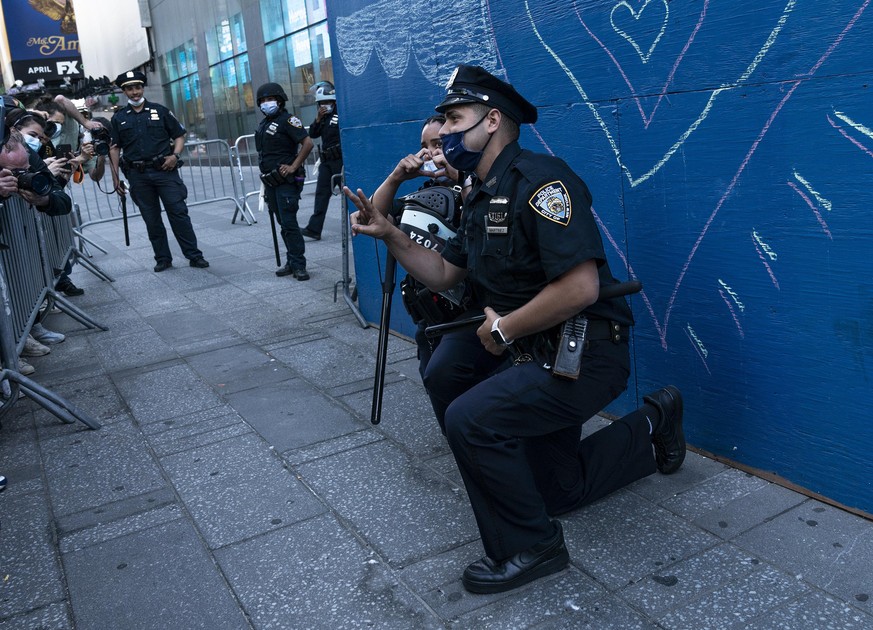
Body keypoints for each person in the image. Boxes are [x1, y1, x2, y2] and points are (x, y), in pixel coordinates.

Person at [345, 64, 686, 594]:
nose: (446, 133)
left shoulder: (542, 181)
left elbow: (580, 290)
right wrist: (390, 234)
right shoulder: (480, 194)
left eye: (455, 119)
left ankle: (531, 545)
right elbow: (446, 272)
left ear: (492, 121)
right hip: (530, 346)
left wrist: (504, 330)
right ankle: (653, 423)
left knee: (472, 418)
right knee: (556, 484)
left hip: (585, 350)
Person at [369, 114, 468, 377]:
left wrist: (460, 177)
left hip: (465, 317)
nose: (431, 153)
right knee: (432, 377)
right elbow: (370, 216)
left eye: (439, 143)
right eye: (425, 146)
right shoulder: (423, 196)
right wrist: (395, 178)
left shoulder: (476, 192)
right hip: (428, 317)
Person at [109, 70, 209, 272]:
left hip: (165, 171)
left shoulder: (160, 111)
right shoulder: (119, 118)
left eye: (137, 87)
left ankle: (194, 256)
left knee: (179, 214)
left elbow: (180, 135)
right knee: (151, 219)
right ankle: (163, 258)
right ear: (124, 91)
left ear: (142, 88)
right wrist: (115, 179)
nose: (135, 92)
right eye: (130, 88)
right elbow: (114, 148)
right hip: (138, 175)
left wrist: (175, 156)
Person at [254, 81, 314, 280]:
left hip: (287, 181)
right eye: (262, 100)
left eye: (270, 99)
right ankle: (291, 261)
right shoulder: (263, 124)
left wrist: (294, 166)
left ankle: (299, 265)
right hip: (271, 182)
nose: (266, 103)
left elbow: (308, 143)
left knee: (289, 223)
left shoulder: (288, 121)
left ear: (279, 101)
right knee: (282, 223)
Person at [302, 85, 342, 241]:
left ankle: (363, 222)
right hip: (326, 162)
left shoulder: (341, 114)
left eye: (327, 101)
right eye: (321, 103)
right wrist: (317, 119)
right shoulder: (323, 117)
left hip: (340, 161)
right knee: (321, 195)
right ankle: (314, 228)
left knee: (349, 194)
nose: (324, 105)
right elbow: (313, 133)